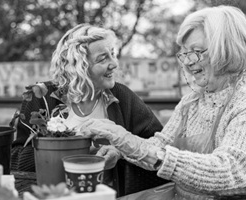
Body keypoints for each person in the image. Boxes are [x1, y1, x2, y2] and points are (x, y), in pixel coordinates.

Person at [81, 5, 246, 200]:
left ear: (227, 48)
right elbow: (160, 145)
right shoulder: (193, 99)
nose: (187, 61)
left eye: (196, 51)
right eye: (184, 53)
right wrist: (122, 150)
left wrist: (127, 139)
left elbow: (227, 172)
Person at [10, 23, 169, 196]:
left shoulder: (123, 97)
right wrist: (78, 150)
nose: (114, 64)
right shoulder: (41, 97)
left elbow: (159, 148)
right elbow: (18, 161)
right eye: (103, 58)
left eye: (112, 55)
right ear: (79, 66)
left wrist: (120, 153)